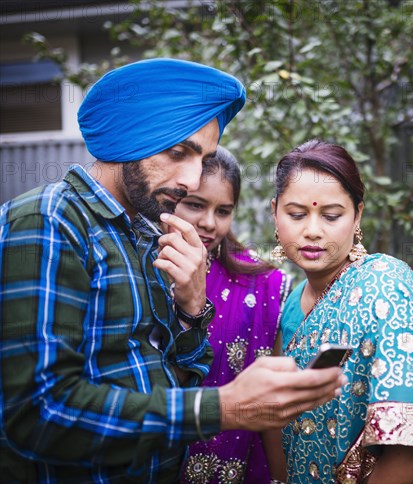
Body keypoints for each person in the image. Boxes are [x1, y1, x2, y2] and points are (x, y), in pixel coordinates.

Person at [0, 60, 345, 483]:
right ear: (130, 134)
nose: (192, 178)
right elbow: (38, 413)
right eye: (178, 152)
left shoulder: (144, 238)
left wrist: (192, 309)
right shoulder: (51, 220)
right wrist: (226, 407)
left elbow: (171, 381)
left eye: (203, 157)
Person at [270, 139, 413, 483]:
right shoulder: (290, 304)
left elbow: (410, 446)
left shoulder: (384, 286)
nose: (312, 230)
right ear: (275, 212)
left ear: (358, 216)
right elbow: (278, 420)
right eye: (296, 214)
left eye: (331, 215)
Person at [175, 146, 292, 483]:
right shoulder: (137, 273)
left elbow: (273, 408)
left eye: (223, 211)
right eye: (195, 205)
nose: (209, 223)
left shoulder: (262, 286)